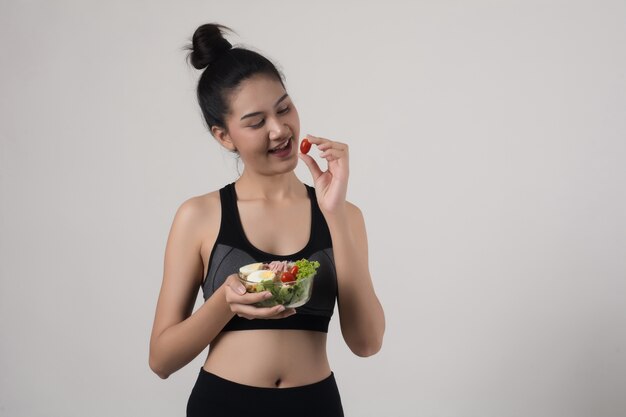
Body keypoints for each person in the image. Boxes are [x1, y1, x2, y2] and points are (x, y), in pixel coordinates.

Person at [148, 23, 385, 417]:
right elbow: (161, 360)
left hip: (316, 406)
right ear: (224, 137)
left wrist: (335, 214)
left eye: (284, 108)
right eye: (256, 123)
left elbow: (367, 342)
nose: (279, 130)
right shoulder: (199, 216)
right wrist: (225, 301)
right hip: (223, 405)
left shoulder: (345, 214)